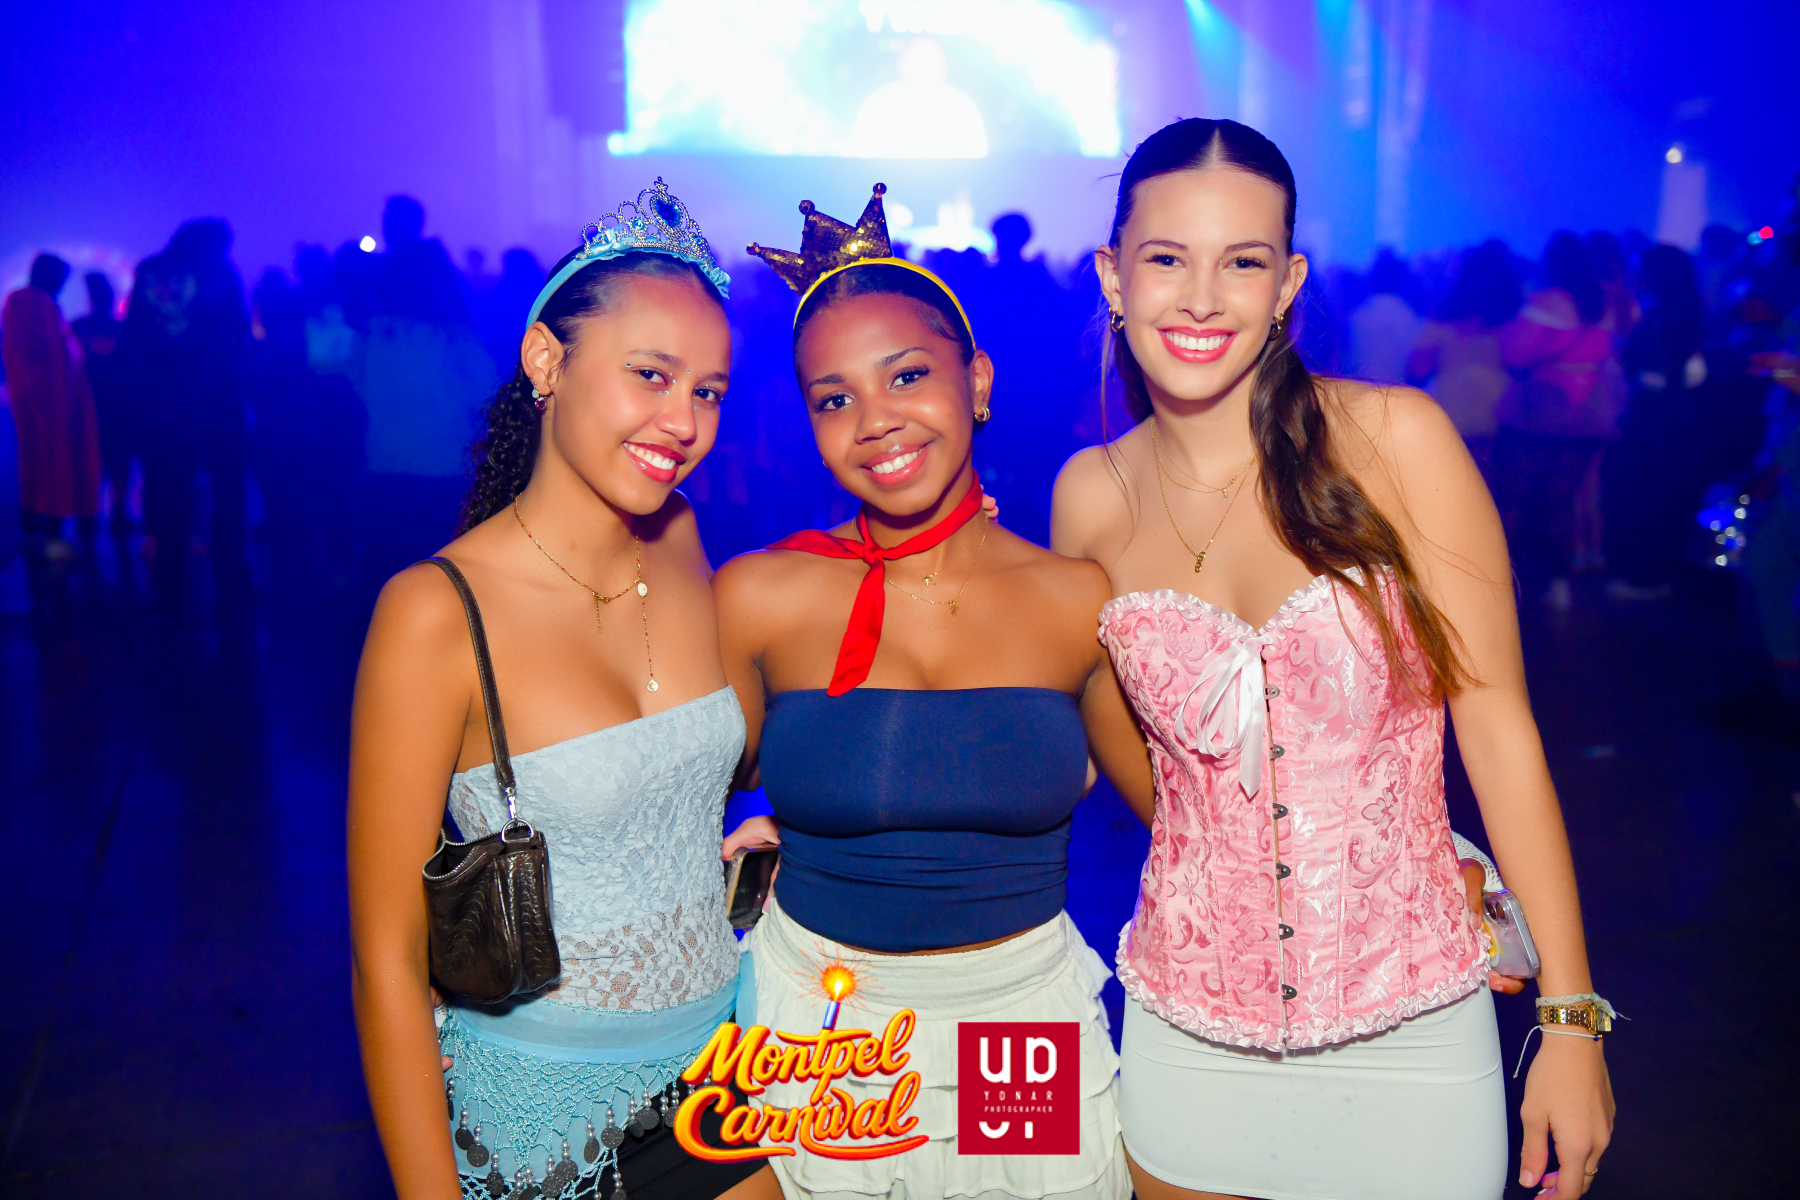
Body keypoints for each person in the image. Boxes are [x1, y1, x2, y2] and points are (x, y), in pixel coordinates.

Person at [1054, 118, 1614, 1200]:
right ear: (1114, 276)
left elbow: (1498, 729)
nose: (1202, 299)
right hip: (1188, 1038)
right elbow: (1123, 745)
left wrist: (1570, 1018)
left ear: (1288, 283)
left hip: (1414, 1038)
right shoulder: (1090, 495)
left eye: (1242, 261)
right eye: (1166, 259)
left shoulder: (1398, 440)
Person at [713, 185, 1154, 1200]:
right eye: (834, 399)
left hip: (1018, 1028)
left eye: (906, 375)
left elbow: (1194, 826)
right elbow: (661, 813)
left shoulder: (1075, 599)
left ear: (977, 380)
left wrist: (1425, 870)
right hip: (821, 1026)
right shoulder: (758, 597)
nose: (876, 421)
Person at [348, 179, 779, 1200]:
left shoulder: (682, 538)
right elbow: (385, 963)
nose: (684, 421)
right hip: (539, 1118)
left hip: (726, 1076)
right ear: (546, 361)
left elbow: (713, 763)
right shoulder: (434, 614)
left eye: (709, 391)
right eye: (651, 375)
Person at [1493, 232, 1623, 609]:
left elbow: (1514, 354)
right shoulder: (1603, 303)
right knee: (1562, 500)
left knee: (1516, 495)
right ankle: (1559, 581)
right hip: (1589, 413)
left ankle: (1507, 583)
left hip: (1543, 410)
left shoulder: (1548, 301)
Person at [1, 253, 102, 566]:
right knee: (49, 463)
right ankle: (48, 533)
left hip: (45, 402)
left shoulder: (29, 303)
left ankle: (40, 531)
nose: (61, 284)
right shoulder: (31, 303)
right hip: (46, 403)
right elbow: (43, 356)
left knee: (42, 463)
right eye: (59, 277)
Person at [1406, 239, 1522, 478]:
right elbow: (1520, 363)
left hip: (1452, 407)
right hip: (1500, 409)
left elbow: (1417, 369)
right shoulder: (1515, 321)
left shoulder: (1441, 321)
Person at [70, 271, 133, 534]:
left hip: (91, 407)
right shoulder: (122, 330)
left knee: (92, 462)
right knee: (116, 463)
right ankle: (116, 514)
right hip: (114, 407)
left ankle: (89, 516)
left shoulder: (78, 328)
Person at [1346, 247, 1420, 383]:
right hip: (1400, 389)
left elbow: (1350, 360)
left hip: (1362, 387)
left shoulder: (1358, 316)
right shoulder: (1410, 318)